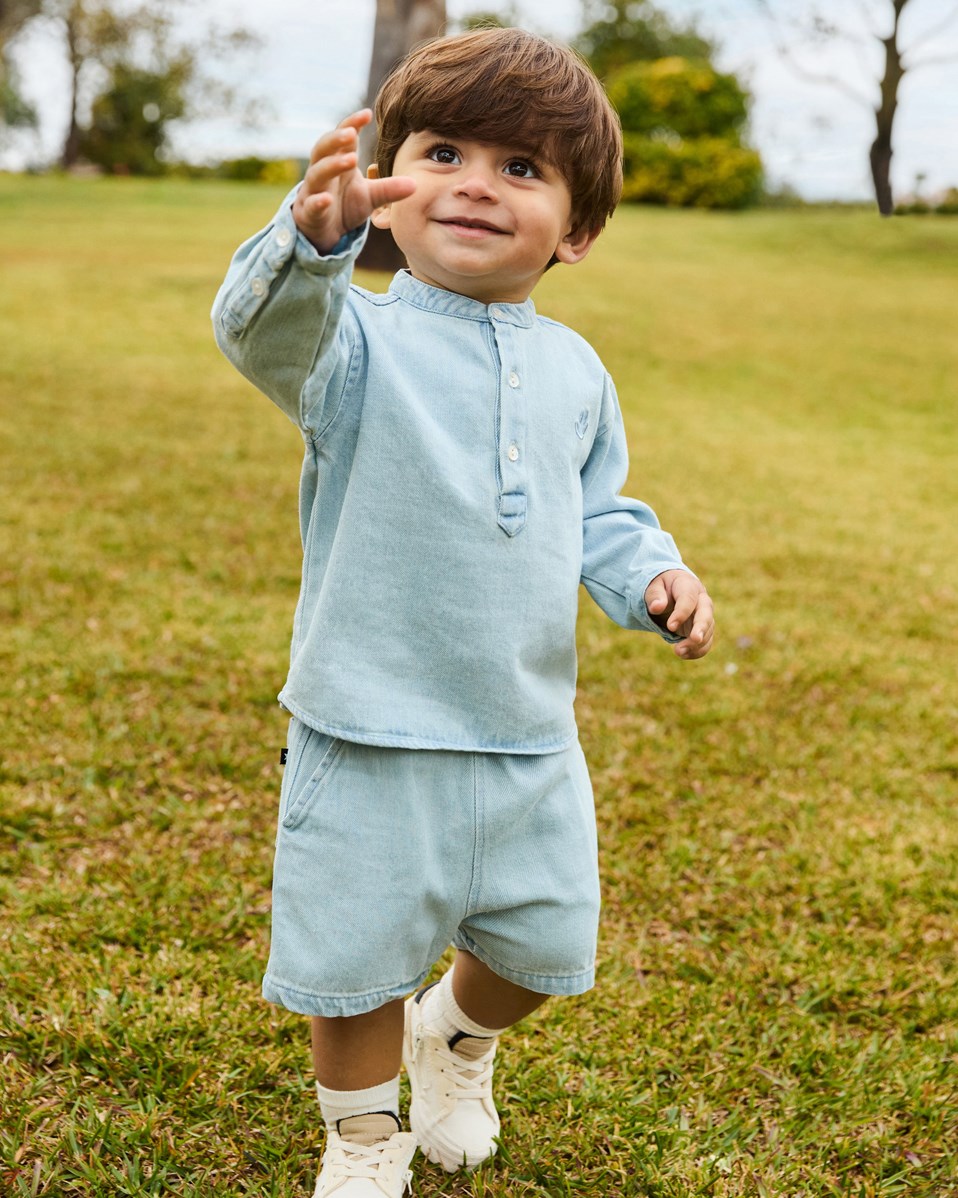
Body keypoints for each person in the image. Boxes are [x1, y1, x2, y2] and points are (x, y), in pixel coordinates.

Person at [212, 26, 714, 1198]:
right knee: (354, 968)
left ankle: (458, 1037)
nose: (477, 184)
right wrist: (310, 243)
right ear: (391, 190)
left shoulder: (579, 371)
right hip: (368, 727)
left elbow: (599, 510)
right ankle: (363, 1137)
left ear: (577, 230)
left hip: (526, 733)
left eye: (523, 168)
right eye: (442, 152)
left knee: (544, 947)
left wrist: (651, 576)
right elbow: (258, 329)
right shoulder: (355, 342)